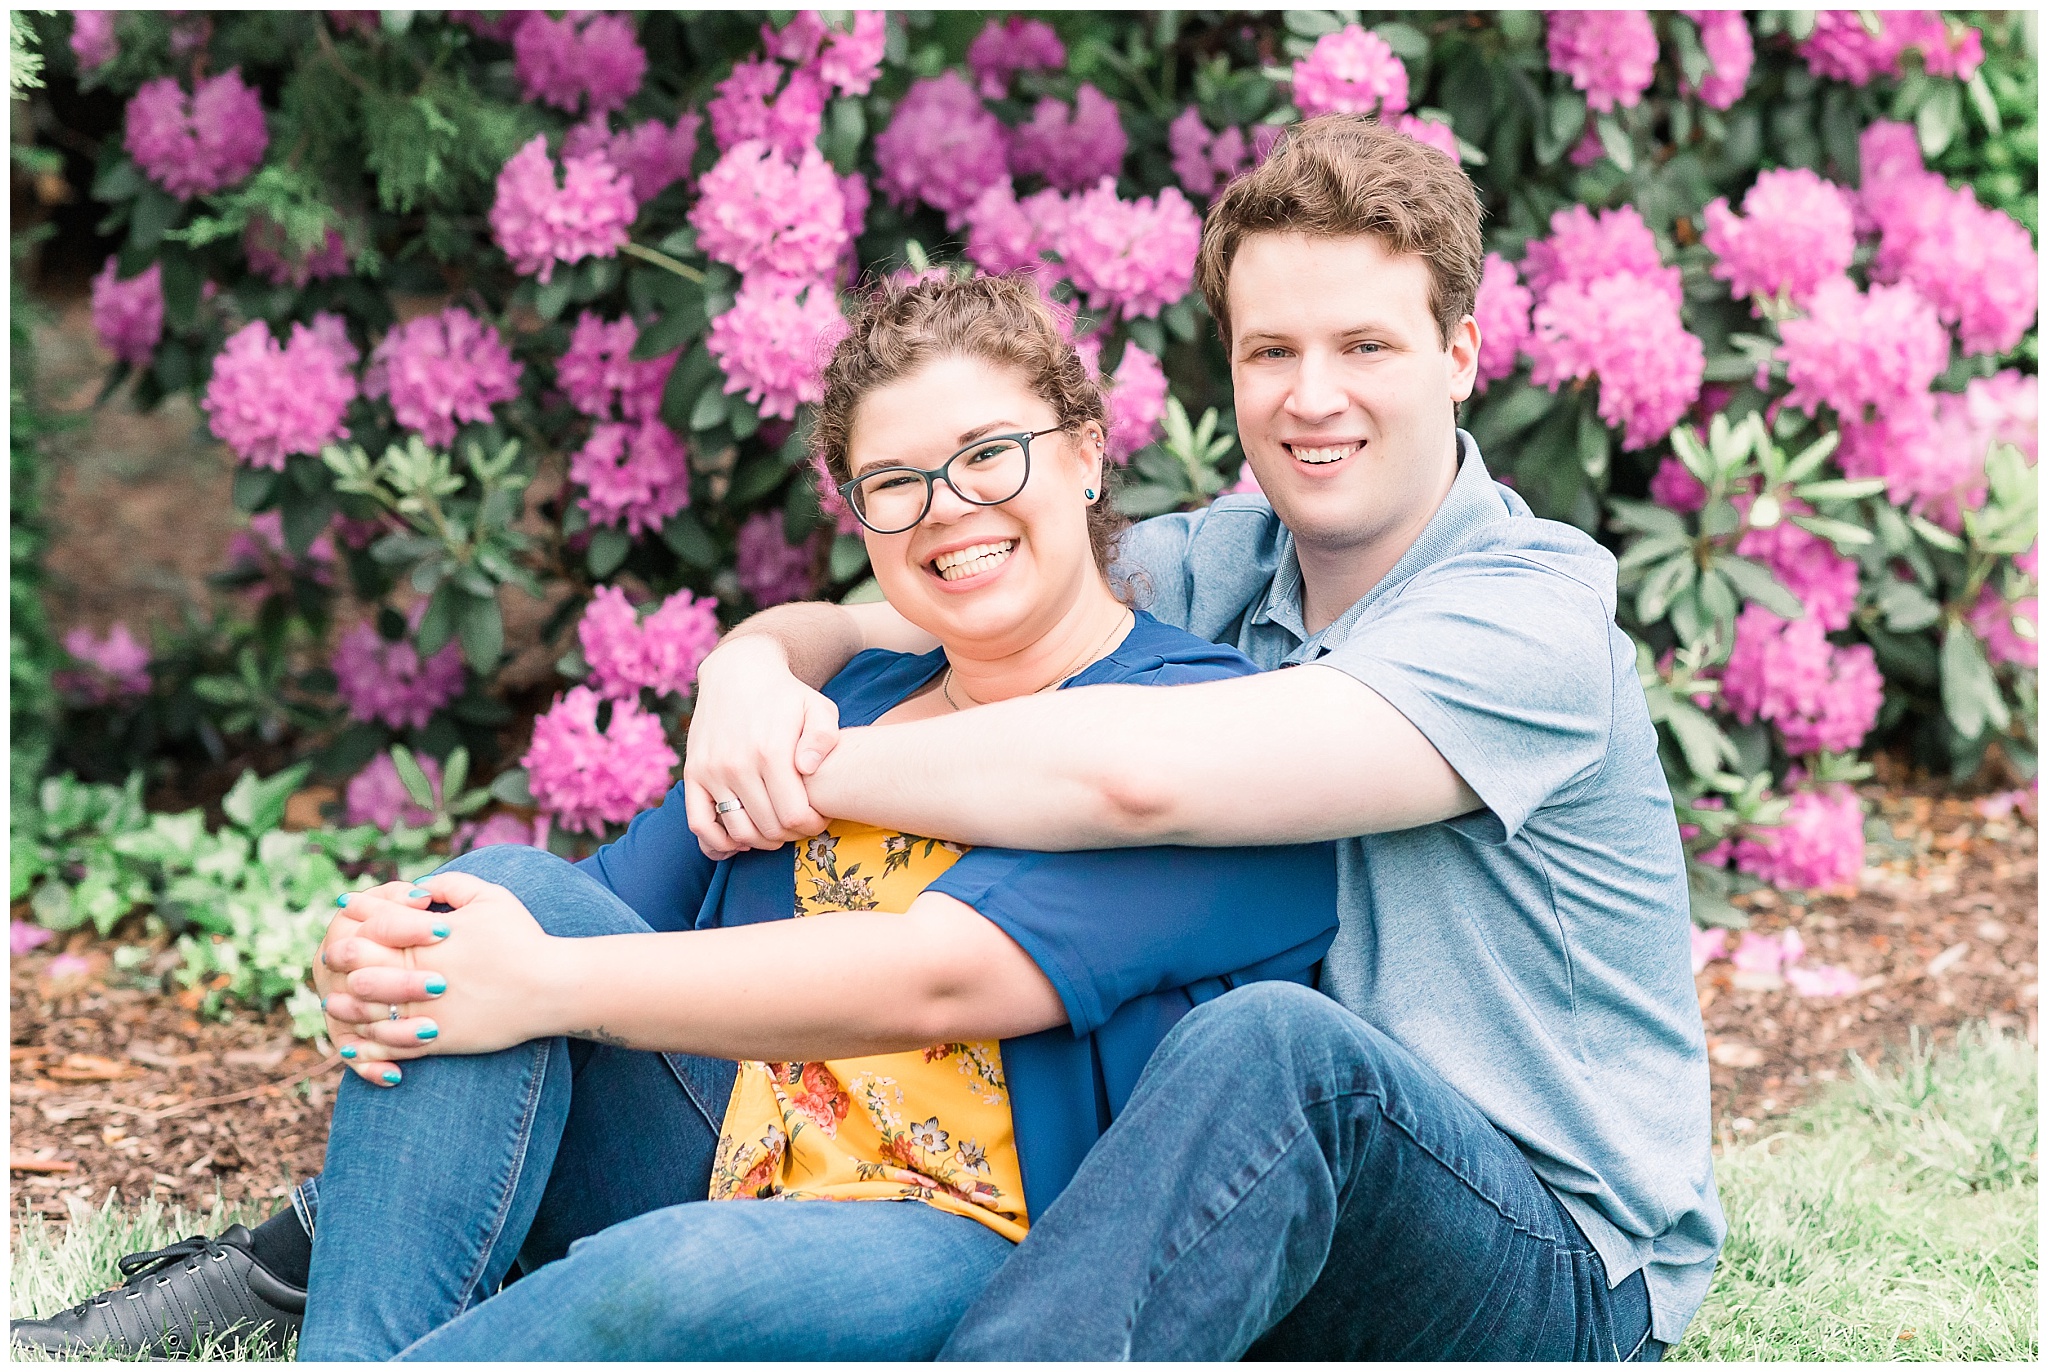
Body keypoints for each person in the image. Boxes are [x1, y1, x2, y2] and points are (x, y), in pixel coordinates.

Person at [9, 274, 1337, 1361]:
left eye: (991, 455)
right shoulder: (840, 705)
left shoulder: (1187, 724)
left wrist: (540, 980)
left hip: (974, 1238)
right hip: (721, 1157)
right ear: (860, 513)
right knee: (485, 898)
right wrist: (400, 953)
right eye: (897, 483)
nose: (951, 512)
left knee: (674, 1270)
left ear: (1088, 453)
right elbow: (569, 928)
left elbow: (939, 979)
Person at [679, 115, 1722, 1360]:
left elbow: (1139, 776)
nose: (1311, 395)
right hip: (1265, 1201)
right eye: (1270, 348)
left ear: (1459, 355)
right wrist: (742, 669)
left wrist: (808, 770)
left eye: (1364, 346)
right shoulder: (1209, 565)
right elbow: (890, 616)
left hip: (1548, 1257)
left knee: (1282, 1050)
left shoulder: (1530, 611)